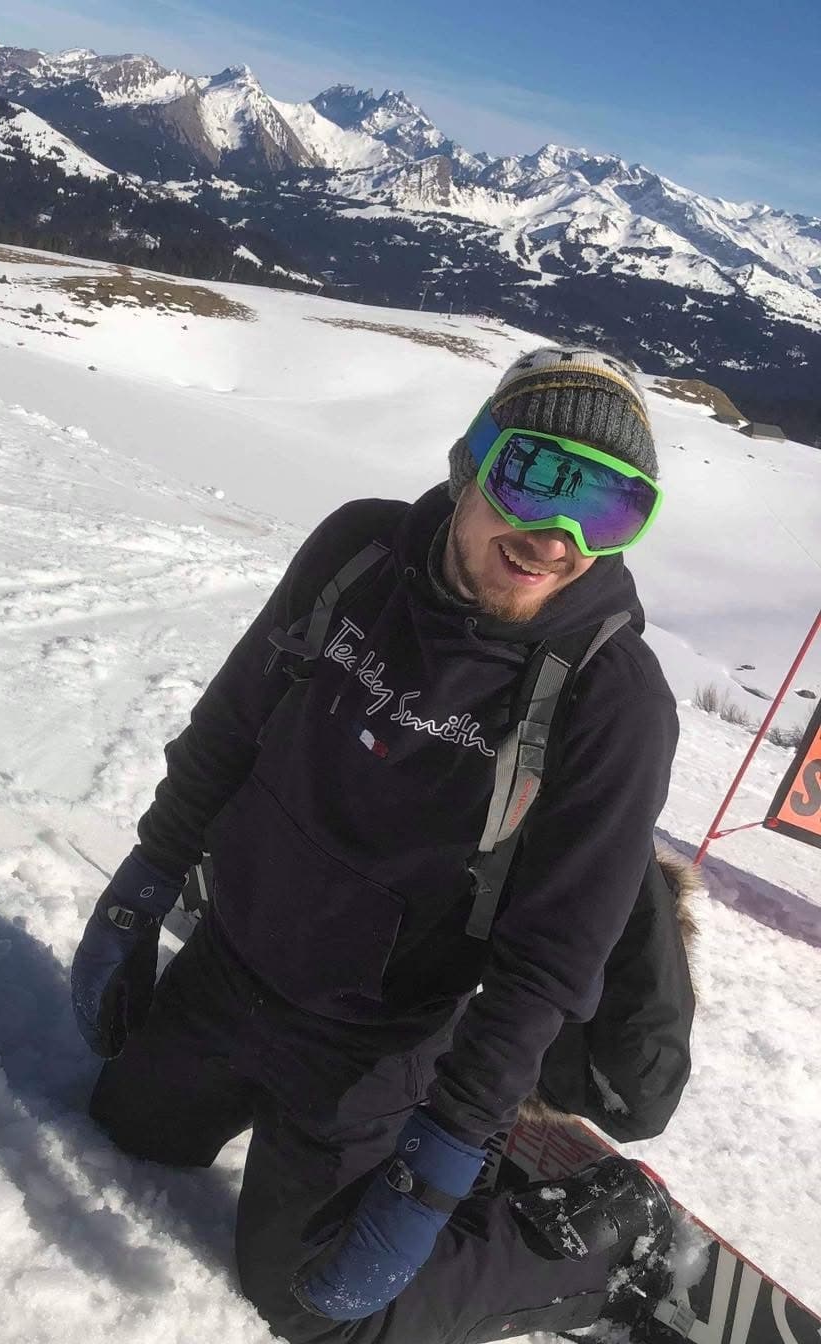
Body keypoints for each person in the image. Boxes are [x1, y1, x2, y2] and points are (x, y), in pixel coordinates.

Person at [70, 347, 682, 1343]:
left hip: (379, 1044)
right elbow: (229, 730)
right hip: (233, 966)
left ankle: (593, 1245)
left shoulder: (615, 704)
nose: (554, 537)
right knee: (122, 1134)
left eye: (607, 511)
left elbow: (548, 966)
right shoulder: (358, 554)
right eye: (533, 479)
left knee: (323, 1309)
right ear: (470, 462)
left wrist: (442, 1150)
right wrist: (143, 883)